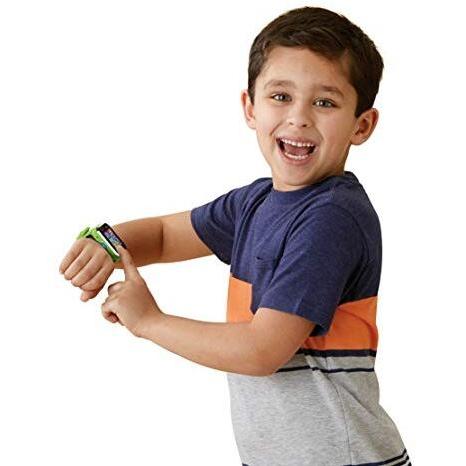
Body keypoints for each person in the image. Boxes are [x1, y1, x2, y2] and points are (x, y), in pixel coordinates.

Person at [59, 6, 412, 466]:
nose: (299, 118)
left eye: (324, 103)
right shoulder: (255, 203)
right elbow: (164, 236)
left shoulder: (330, 219)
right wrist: (104, 242)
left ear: (361, 125)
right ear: (250, 107)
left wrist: (149, 321)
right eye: (281, 96)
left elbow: (262, 351)